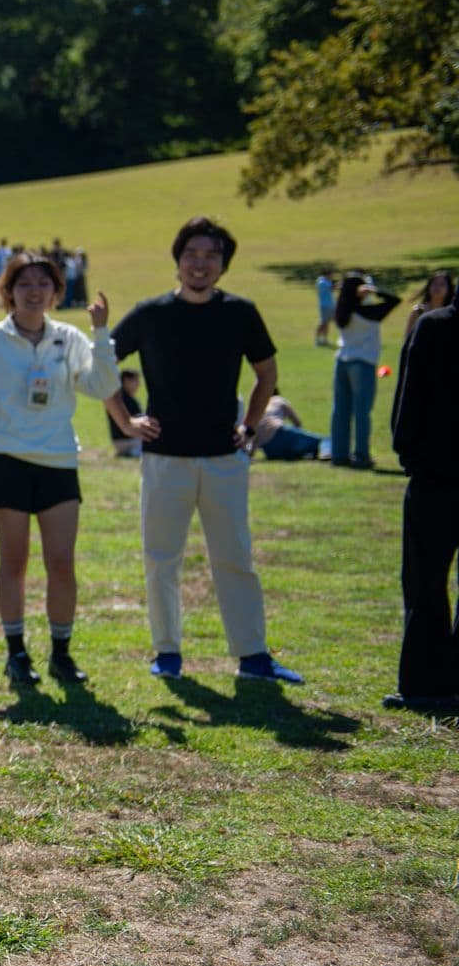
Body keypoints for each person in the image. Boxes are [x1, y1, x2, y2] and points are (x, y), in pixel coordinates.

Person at [105, 216, 302, 682]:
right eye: (191, 254)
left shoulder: (240, 312)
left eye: (211, 255)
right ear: (178, 260)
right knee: (161, 559)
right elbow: (99, 365)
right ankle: (167, 653)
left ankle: (253, 656)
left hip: (224, 458)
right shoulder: (149, 314)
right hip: (164, 457)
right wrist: (124, 420)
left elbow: (267, 373)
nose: (200, 263)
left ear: (223, 265)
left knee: (235, 558)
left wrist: (250, 427)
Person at [0, 254, 118, 684]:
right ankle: (17, 652)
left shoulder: (71, 338)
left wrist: (101, 333)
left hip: (58, 461)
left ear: (56, 292)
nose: (34, 290)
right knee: (15, 560)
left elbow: (101, 387)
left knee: (62, 563)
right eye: (24, 283)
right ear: (8, 290)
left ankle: (61, 653)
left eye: (44, 283)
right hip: (4, 460)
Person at [387, 280, 458, 710]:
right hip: (435, 473)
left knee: (425, 582)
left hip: (435, 476)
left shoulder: (433, 328)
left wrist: (409, 453)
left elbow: (407, 402)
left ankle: (426, 684)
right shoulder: (431, 327)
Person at [330, 271, 401, 470]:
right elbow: (395, 300)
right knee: (362, 412)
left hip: (342, 361)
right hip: (363, 363)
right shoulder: (369, 313)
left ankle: (339, 454)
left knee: (340, 410)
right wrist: (374, 289)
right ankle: (361, 456)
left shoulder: (342, 311)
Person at [251, 394, 324, 461]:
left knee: (300, 450)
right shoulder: (278, 399)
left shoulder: (257, 406)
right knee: (324, 441)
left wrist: (251, 454)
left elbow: (254, 436)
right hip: (280, 433)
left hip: (269, 450)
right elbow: (297, 423)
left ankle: (306, 451)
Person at [403, 270, 454, 347]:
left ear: (449, 289)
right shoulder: (418, 311)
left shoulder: (452, 313)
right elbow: (408, 340)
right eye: (434, 283)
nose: (437, 287)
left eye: (442, 284)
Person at [107, 369, 145, 457]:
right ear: (126, 381)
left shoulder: (116, 399)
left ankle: (130, 452)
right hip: (129, 440)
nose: (138, 384)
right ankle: (133, 452)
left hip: (117, 441)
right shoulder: (127, 401)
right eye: (135, 381)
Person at [315, 270, 336, 347]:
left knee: (327, 323)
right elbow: (331, 288)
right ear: (326, 274)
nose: (331, 276)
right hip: (325, 306)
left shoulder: (327, 281)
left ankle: (324, 340)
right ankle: (317, 340)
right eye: (330, 274)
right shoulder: (321, 282)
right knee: (323, 323)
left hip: (330, 305)